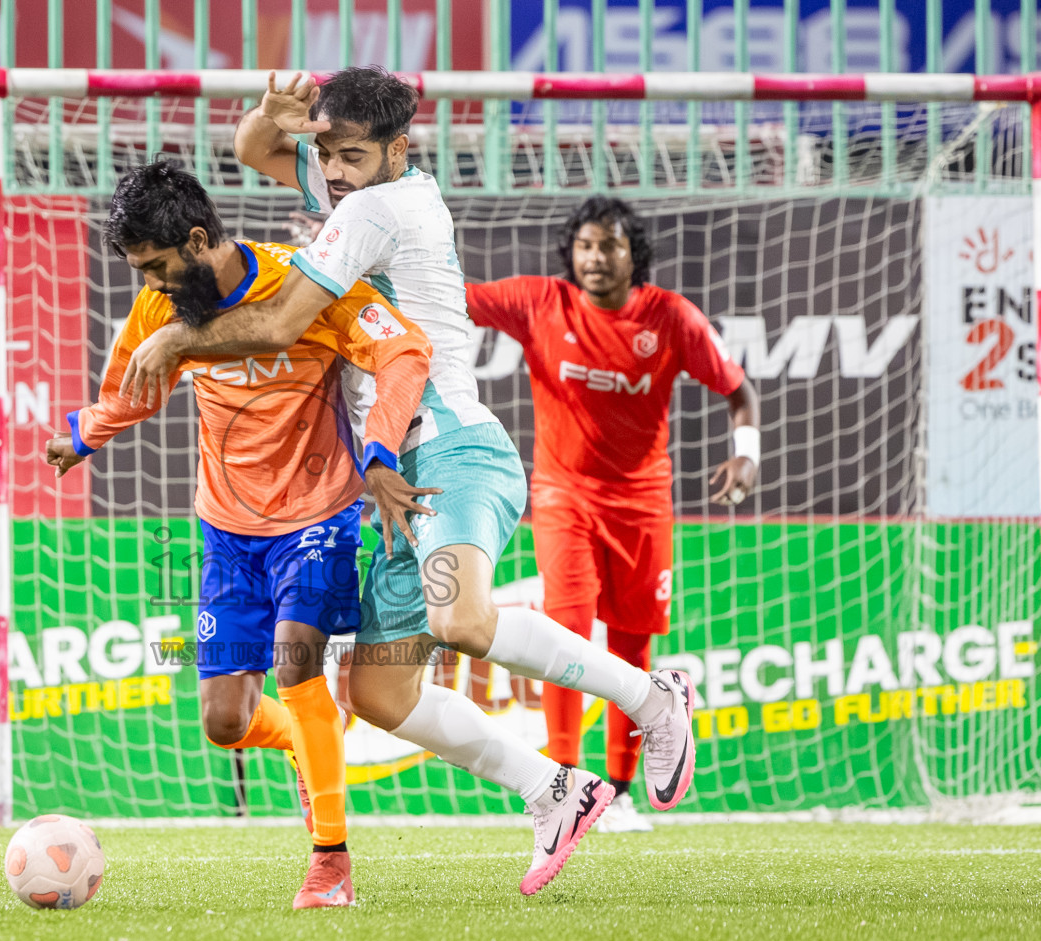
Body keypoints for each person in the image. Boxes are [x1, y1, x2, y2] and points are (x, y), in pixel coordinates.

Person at [117, 66, 696, 895]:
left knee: (462, 617)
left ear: (400, 148)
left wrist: (173, 342)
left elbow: (280, 322)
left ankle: (652, 697)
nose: (334, 170)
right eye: (325, 152)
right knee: (381, 692)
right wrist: (272, 117)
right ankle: (552, 790)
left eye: (349, 154)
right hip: (393, 475)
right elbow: (253, 148)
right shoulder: (357, 177)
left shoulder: (380, 207)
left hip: (453, 449)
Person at [45, 160, 431, 908]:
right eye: (139, 271)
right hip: (226, 531)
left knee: (296, 665)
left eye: (157, 267)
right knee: (225, 721)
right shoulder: (161, 309)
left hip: (319, 515)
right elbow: (132, 384)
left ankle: (331, 862)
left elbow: (405, 350)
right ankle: (302, 740)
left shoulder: (308, 285)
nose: (150, 285)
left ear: (197, 240)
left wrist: (382, 448)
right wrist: (87, 436)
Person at [465, 196, 761, 832]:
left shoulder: (670, 317)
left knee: (632, 644)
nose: (596, 258)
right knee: (566, 635)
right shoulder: (542, 302)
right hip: (562, 495)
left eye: (610, 247)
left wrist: (746, 455)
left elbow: (739, 392)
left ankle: (620, 791)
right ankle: (564, 782)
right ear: (572, 252)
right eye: (586, 246)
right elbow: (456, 296)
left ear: (634, 255)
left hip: (643, 501)